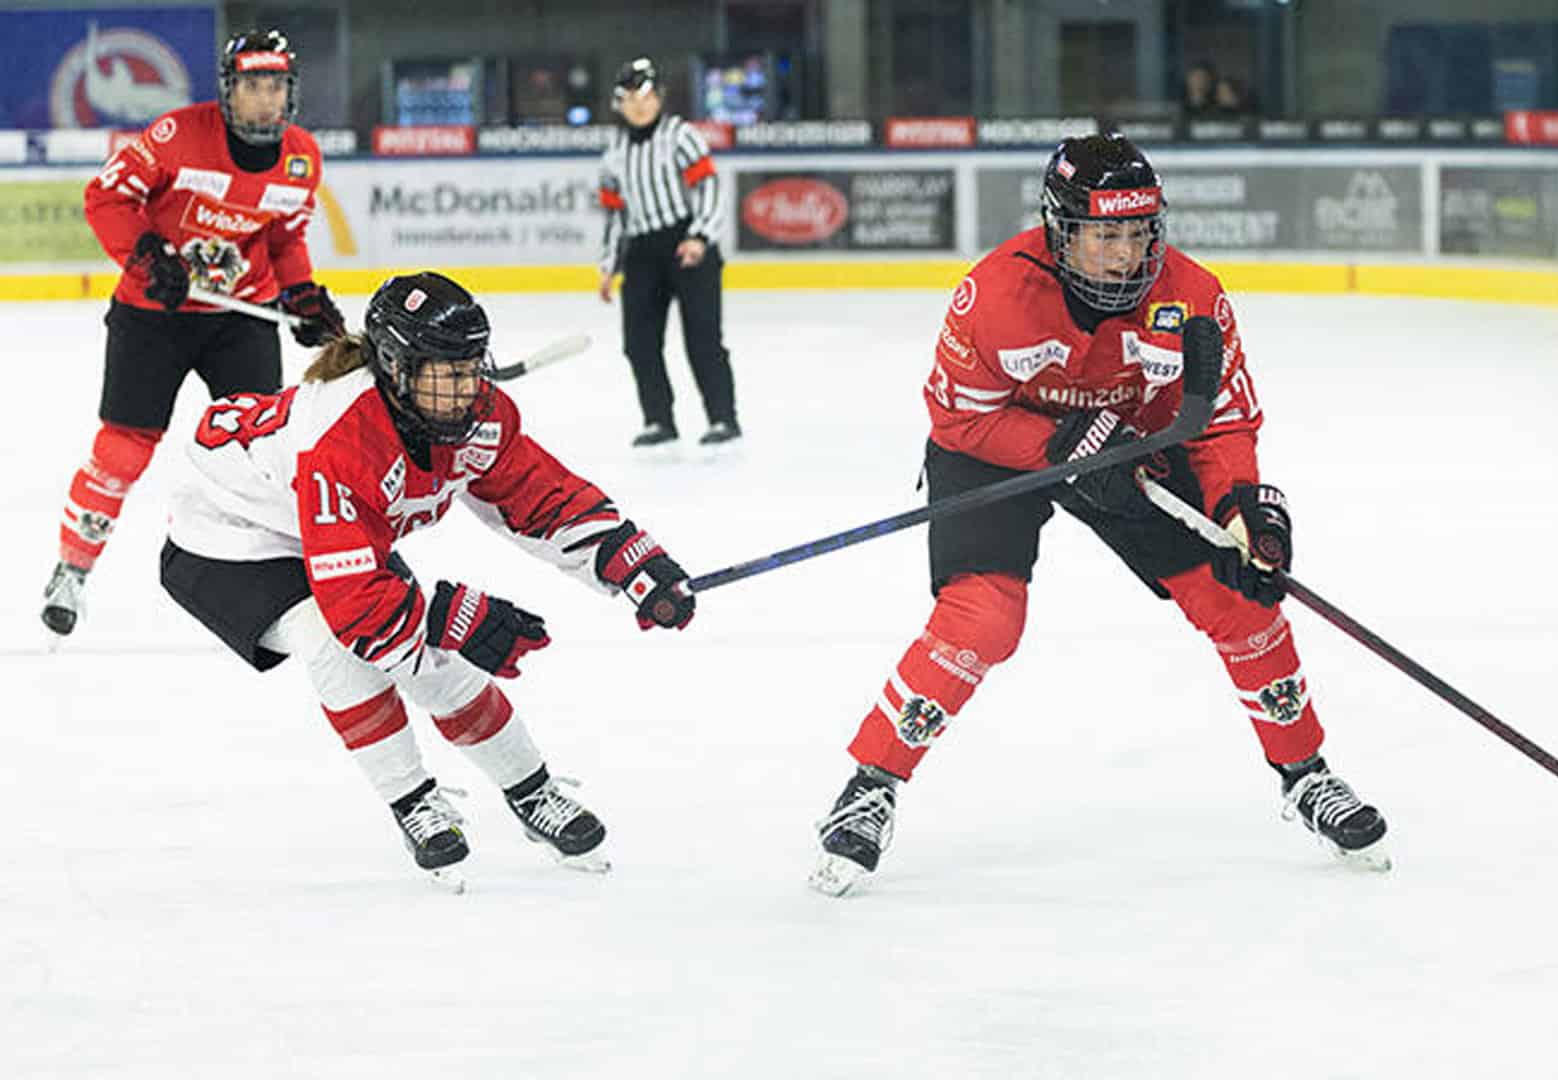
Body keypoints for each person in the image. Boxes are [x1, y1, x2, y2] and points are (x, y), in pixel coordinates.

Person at [807, 133, 1390, 897]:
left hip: (1131, 451)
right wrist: (1059, 445)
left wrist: (1239, 509)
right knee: (983, 618)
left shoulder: (1193, 296)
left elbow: (1219, 425)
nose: (1125, 253)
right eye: (1104, 234)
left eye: (1138, 231)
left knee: (1241, 600)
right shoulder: (992, 297)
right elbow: (959, 424)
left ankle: (1304, 773)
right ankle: (872, 784)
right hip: (1002, 447)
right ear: (1061, 230)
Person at [160, 271, 698, 889]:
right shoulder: (341, 441)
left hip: (316, 523)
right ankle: (412, 800)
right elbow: (358, 610)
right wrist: (450, 615)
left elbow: (537, 496)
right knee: (339, 647)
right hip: (228, 537)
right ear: (395, 367)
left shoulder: (470, 413)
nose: (467, 389)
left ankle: (533, 792)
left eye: (472, 367)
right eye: (447, 373)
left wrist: (630, 561)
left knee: (431, 657)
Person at [41, 29, 345, 638]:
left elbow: (284, 239)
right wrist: (149, 256)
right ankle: (72, 568)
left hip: (240, 317)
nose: (265, 100)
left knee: (264, 452)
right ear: (230, 91)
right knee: (125, 448)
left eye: (276, 87)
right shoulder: (176, 137)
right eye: (253, 86)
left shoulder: (301, 156)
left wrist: (302, 294)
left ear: (290, 93)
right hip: (153, 318)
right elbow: (106, 198)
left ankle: (285, 579)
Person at [595, 57, 739, 450]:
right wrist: (608, 265)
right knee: (639, 342)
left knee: (703, 338)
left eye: (646, 96)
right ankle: (659, 420)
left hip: (686, 244)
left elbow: (709, 189)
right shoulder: (613, 154)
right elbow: (614, 214)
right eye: (630, 98)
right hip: (642, 251)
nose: (640, 106)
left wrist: (699, 237)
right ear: (618, 104)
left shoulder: (681, 136)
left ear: (659, 98)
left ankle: (723, 418)